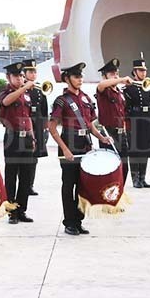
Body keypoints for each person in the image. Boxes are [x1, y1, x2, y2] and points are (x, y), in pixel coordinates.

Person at [48, 62, 112, 236]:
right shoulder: (62, 100)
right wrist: (65, 149)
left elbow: (91, 124)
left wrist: (101, 138)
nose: (80, 79)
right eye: (76, 76)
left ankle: (78, 220)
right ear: (67, 79)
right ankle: (69, 222)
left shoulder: (85, 98)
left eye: (81, 76)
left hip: (85, 143)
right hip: (70, 142)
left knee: (84, 185)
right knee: (69, 185)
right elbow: (52, 127)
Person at [0, 61, 37, 224]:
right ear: (9, 77)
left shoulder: (27, 95)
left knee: (26, 176)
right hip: (12, 138)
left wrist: (32, 136)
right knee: (11, 176)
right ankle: (11, 211)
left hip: (26, 137)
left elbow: (28, 117)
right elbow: (6, 102)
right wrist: (23, 88)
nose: (20, 79)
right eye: (16, 76)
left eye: (22, 76)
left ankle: (22, 210)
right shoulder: (5, 92)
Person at [124, 59, 150, 189]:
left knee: (145, 149)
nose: (143, 73)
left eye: (144, 70)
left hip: (148, 118)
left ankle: (143, 178)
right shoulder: (129, 88)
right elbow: (126, 107)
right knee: (135, 150)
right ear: (134, 72)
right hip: (135, 119)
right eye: (140, 70)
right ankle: (135, 179)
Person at [96, 59, 131, 183]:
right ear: (105, 76)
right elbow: (101, 85)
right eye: (112, 74)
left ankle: (119, 193)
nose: (115, 76)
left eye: (117, 73)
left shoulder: (119, 92)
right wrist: (121, 80)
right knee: (110, 167)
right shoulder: (103, 90)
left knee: (124, 165)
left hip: (122, 133)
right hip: (109, 132)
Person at [22, 59, 48, 196]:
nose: (33, 74)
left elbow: (44, 111)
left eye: (34, 71)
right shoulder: (21, 89)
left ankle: (30, 185)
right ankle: (23, 185)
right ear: (24, 73)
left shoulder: (39, 89)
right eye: (30, 72)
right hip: (25, 125)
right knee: (24, 156)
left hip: (37, 126)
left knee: (34, 157)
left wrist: (45, 129)